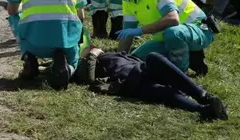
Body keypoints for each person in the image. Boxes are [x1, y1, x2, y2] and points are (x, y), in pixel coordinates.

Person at [6, 0, 87, 90]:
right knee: (75, 56)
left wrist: (26, 5)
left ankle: (28, 57)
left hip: (34, 40)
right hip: (66, 38)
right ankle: (68, 68)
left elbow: (12, 10)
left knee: (12, 18)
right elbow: (80, 11)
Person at [108, 0, 214, 75]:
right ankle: (187, 55)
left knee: (173, 33)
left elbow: (173, 19)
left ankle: (180, 74)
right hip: (165, 37)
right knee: (135, 59)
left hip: (199, 29)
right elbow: (126, 37)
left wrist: (140, 30)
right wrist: (118, 61)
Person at [76, 46, 228, 121]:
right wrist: (92, 55)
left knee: (154, 57)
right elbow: (89, 78)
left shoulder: (113, 53)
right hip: (130, 81)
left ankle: (203, 96)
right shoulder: (87, 63)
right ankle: (205, 110)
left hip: (143, 69)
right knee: (166, 93)